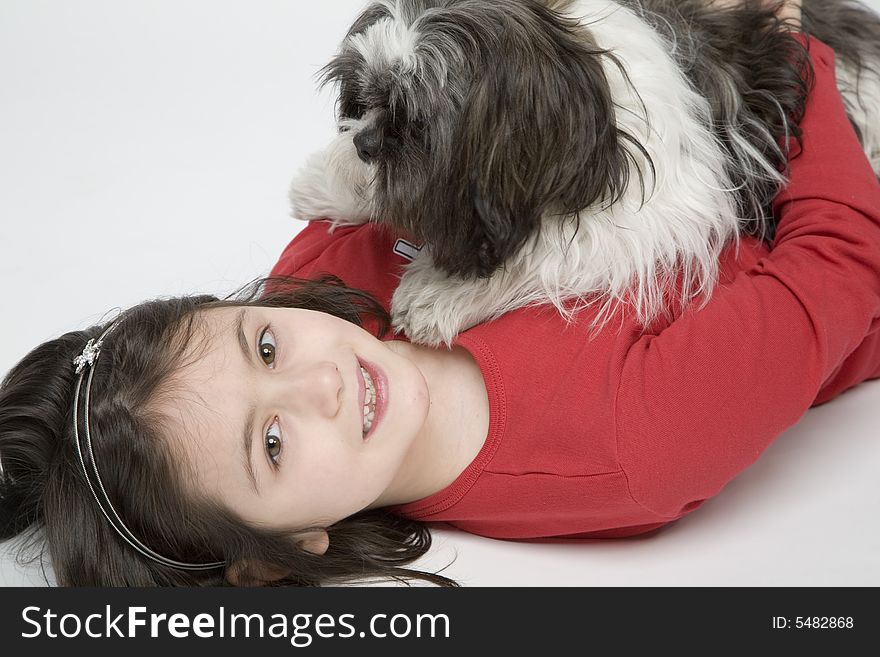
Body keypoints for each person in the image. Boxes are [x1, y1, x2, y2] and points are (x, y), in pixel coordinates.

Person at [1, 2, 879, 587]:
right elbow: (842, 260)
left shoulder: (320, 286)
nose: (320, 382)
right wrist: (785, 36)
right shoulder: (630, 441)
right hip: (832, 173)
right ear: (280, 557)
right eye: (270, 443)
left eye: (263, 344)